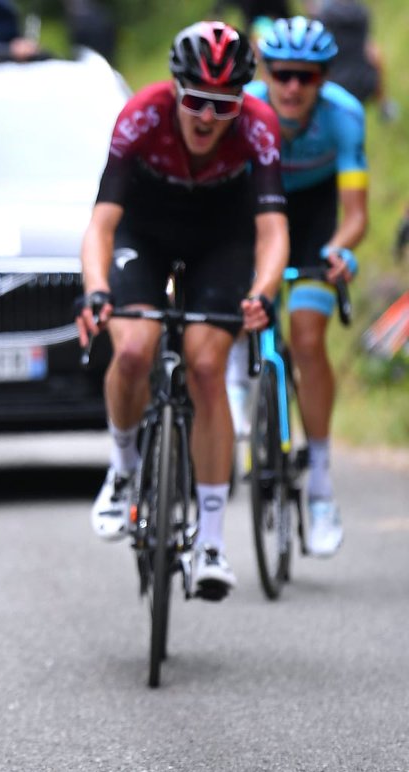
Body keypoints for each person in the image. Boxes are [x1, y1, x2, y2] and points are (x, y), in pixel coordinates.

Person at [76, 21, 287, 600]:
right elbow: (102, 223)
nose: (206, 117)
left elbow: (271, 230)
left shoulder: (259, 127)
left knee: (205, 366)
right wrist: (96, 289)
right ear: (173, 89)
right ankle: (123, 472)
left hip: (222, 238)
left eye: (224, 105)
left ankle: (212, 542)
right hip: (145, 230)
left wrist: (263, 290)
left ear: (243, 99)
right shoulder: (141, 115)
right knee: (136, 347)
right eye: (195, 100)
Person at [231, 16, 367, 557]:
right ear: (264, 72)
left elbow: (354, 213)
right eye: (282, 74)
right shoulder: (244, 113)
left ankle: (321, 488)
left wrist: (341, 249)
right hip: (252, 215)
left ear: (323, 79)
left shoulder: (344, 117)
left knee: (308, 340)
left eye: (305, 78)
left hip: (313, 220)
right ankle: (239, 382)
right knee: (240, 303)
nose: (291, 87)